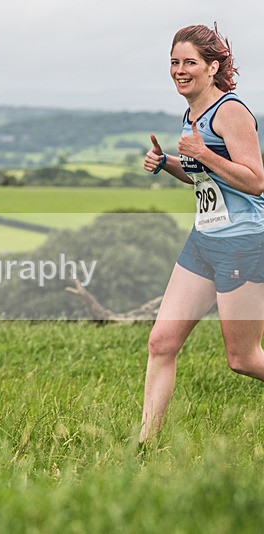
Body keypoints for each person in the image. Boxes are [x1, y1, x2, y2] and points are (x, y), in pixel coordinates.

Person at [139, 24, 264, 443]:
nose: (180, 70)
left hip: (242, 242)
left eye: (189, 62)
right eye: (174, 62)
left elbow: (255, 181)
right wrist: (168, 164)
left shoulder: (231, 111)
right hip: (204, 240)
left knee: (243, 358)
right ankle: (144, 446)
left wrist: (203, 153)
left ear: (212, 67)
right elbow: (205, 177)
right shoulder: (192, 114)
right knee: (161, 342)